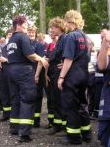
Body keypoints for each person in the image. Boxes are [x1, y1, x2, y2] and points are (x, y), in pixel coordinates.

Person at [7, 15, 49, 143]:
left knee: (15, 99)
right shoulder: (22, 36)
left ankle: (14, 127)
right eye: (25, 24)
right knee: (27, 99)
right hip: (24, 71)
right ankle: (24, 134)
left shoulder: (11, 39)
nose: (27, 26)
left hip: (11, 70)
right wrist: (41, 59)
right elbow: (30, 54)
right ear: (18, 25)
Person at [57, 10, 92, 144]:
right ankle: (87, 134)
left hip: (72, 77)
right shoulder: (85, 37)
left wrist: (61, 77)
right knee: (82, 104)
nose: (65, 24)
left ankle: (73, 137)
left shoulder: (70, 36)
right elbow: (81, 57)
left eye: (65, 21)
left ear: (69, 21)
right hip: (84, 75)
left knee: (71, 106)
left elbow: (69, 59)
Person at [46, 17, 67, 135]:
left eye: (53, 27)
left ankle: (63, 126)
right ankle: (57, 125)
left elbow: (67, 56)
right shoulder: (59, 40)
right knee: (55, 100)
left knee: (60, 100)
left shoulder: (65, 39)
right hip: (54, 74)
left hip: (59, 74)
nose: (51, 30)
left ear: (59, 27)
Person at [27, 25, 47, 128]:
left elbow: (40, 61)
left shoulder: (39, 45)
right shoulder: (24, 44)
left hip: (36, 74)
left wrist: (37, 75)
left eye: (32, 32)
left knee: (37, 97)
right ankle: (28, 119)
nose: (30, 34)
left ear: (35, 34)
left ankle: (36, 120)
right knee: (28, 96)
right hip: (26, 74)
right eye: (29, 32)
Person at [97, 29, 110, 147]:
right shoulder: (106, 47)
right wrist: (105, 44)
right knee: (104, 135)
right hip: (108, 94)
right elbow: (101, 66)